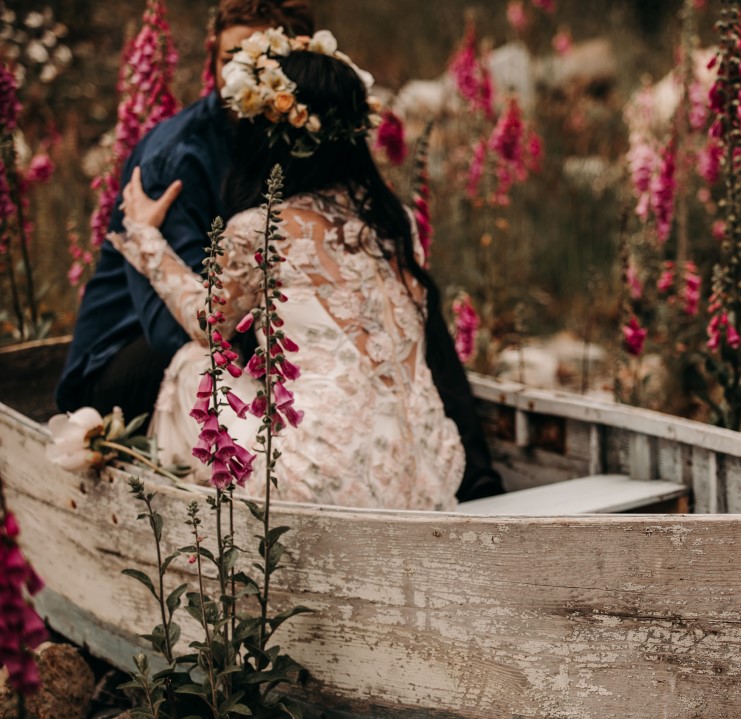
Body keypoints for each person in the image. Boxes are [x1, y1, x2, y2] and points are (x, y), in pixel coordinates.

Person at [57, 0, 503, 501]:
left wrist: (144, 237)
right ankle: (477, 479)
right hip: (429, 472)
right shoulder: (391, 219)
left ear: (270, 136)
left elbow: (209, 327)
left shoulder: (260, 227)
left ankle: (201, 529)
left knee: (193, 366)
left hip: (316, 475)